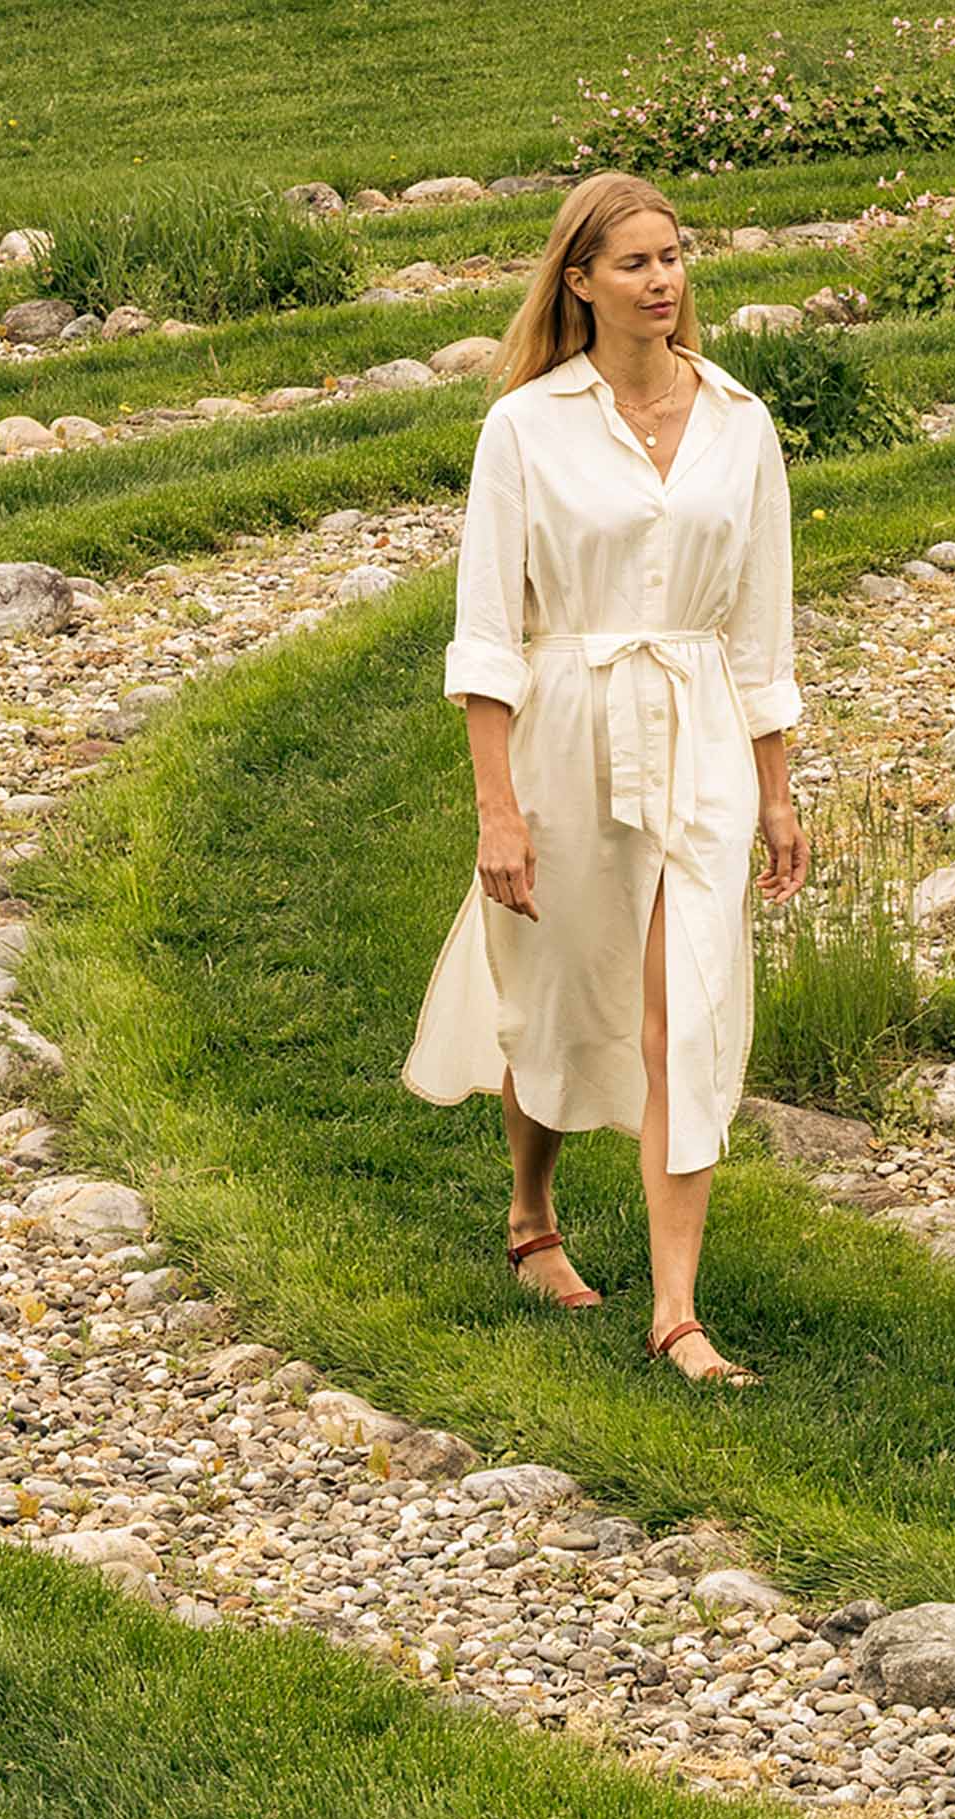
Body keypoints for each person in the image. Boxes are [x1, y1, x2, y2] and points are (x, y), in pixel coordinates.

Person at [402, 168, 810, 1386]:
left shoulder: (742, 421)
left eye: (673, 256)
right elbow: (486, 631)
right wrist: (498, 810)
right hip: (569, 729)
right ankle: (533, 1213)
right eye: (634, 263)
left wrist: (777, 791)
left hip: (700, 740)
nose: (663, 280)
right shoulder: (524, 427)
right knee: (559, 982)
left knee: (683, 1002)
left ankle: (676, 1309)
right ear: (578, 282)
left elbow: (761, 630)